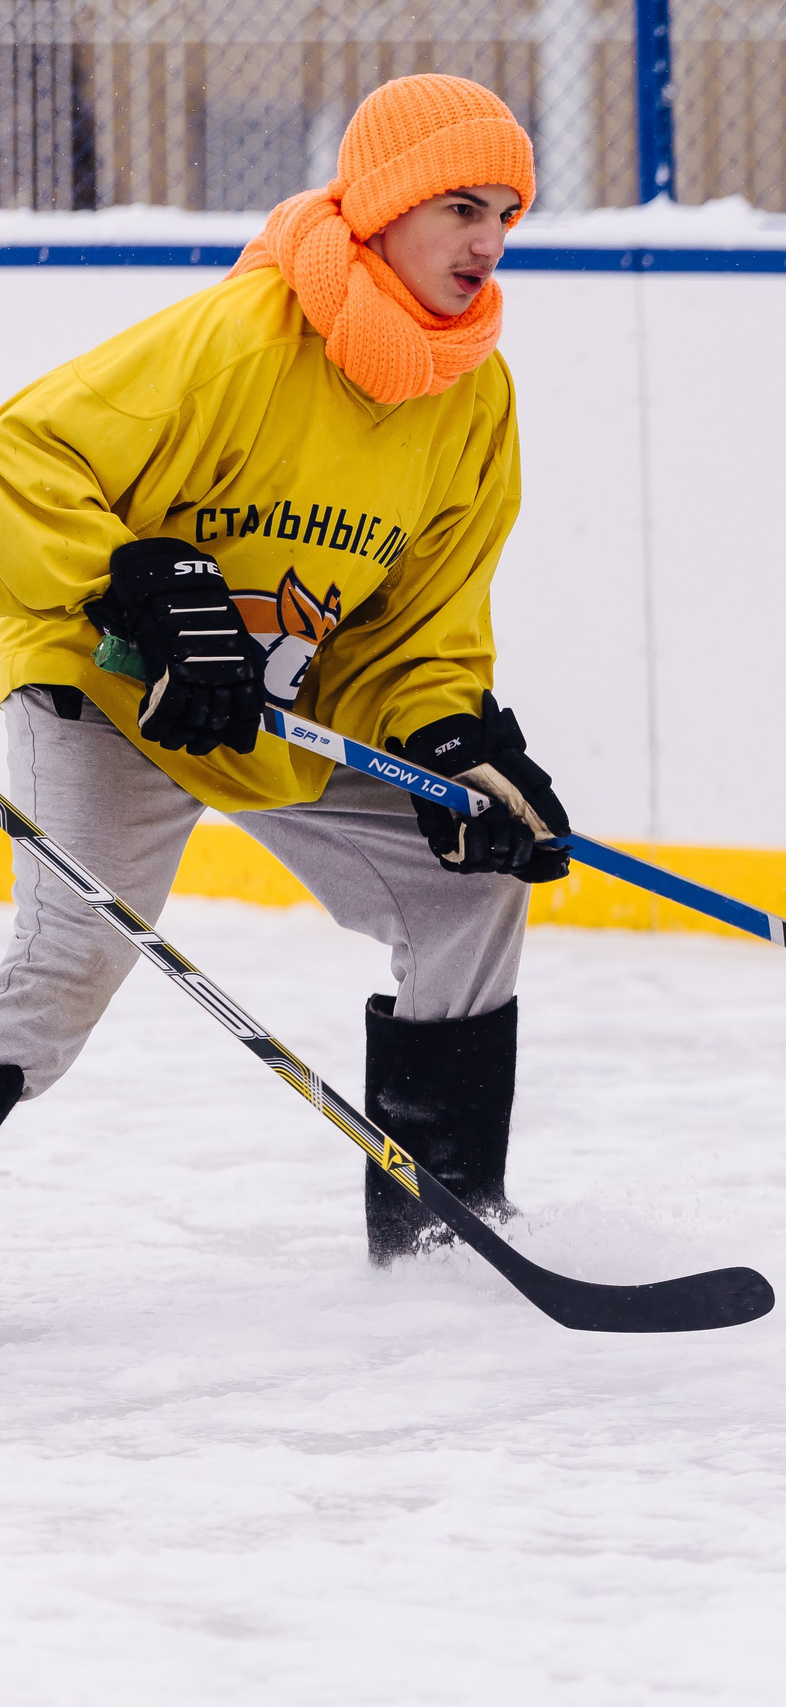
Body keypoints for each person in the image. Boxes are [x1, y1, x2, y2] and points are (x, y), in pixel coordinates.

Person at [0, 75, 570, 1262]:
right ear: (382, 207)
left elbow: (421, 625)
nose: (488, 241)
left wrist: (448, 737)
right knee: (64, 975)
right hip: (113, 691)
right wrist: (141, 582)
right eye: (461, 206)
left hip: (269, 713)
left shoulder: (473, 399)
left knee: (469, 886)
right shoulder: (239, 336)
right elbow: (21, 456)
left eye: (507, 214)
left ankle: (437, 1252)